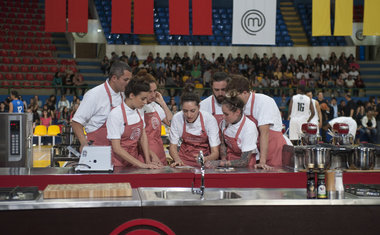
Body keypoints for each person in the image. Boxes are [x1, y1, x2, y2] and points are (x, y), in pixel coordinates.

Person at [226, 75, 286, 169]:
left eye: (235, 97)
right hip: (258, 148)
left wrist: (262, 161)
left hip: (272, 146)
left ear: (245, 93)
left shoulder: (264, 101)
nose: (233, 100)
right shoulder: (241, 104)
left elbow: (264, 133)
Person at [72, 61, 132, 152]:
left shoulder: (124, 95)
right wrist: (84, 143)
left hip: (119, 150)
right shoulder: (94, 95)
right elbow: (76, 122)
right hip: (97, 148)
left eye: (129, 80)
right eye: (125, 80)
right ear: (114, 78)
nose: (128, 83)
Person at [107, 78, 161, 168]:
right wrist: (141, 164)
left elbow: (143, 137)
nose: (145, 102)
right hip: (118, 164)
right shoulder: (116, 114)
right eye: (142, 99)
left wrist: (148, 161)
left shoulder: (139, 110)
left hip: (134, 161)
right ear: (132, 95)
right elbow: (117, 148)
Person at [169, 85, 220, 167]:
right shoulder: (177, 118)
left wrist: (205, 159)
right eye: (185, 111)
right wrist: (177, 160)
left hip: (205, 162)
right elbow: (172, 147)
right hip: (183, 162)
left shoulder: (209, 119)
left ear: (199, 107)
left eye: (192, 111)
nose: (189, 115)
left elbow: (215, 153)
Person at [207, 95, 259, 168]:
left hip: (247, 165)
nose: (223, 117)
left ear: (238, 112)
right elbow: (223, 143)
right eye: (223, 113)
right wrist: (224, 159)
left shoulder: (249, 128)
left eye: (226, 114)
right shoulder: (224, 123)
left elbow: (244, 161)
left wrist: (221, 163)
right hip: (229, 161)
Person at [140, 70, 173, 165]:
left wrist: (162, 102)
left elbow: (171, 123)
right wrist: (151, 155)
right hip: (145, 156)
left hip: (160, 154)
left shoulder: (155, 106)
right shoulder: (138, 107)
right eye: (150, 91)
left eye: (155, 91)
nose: (153, 95)